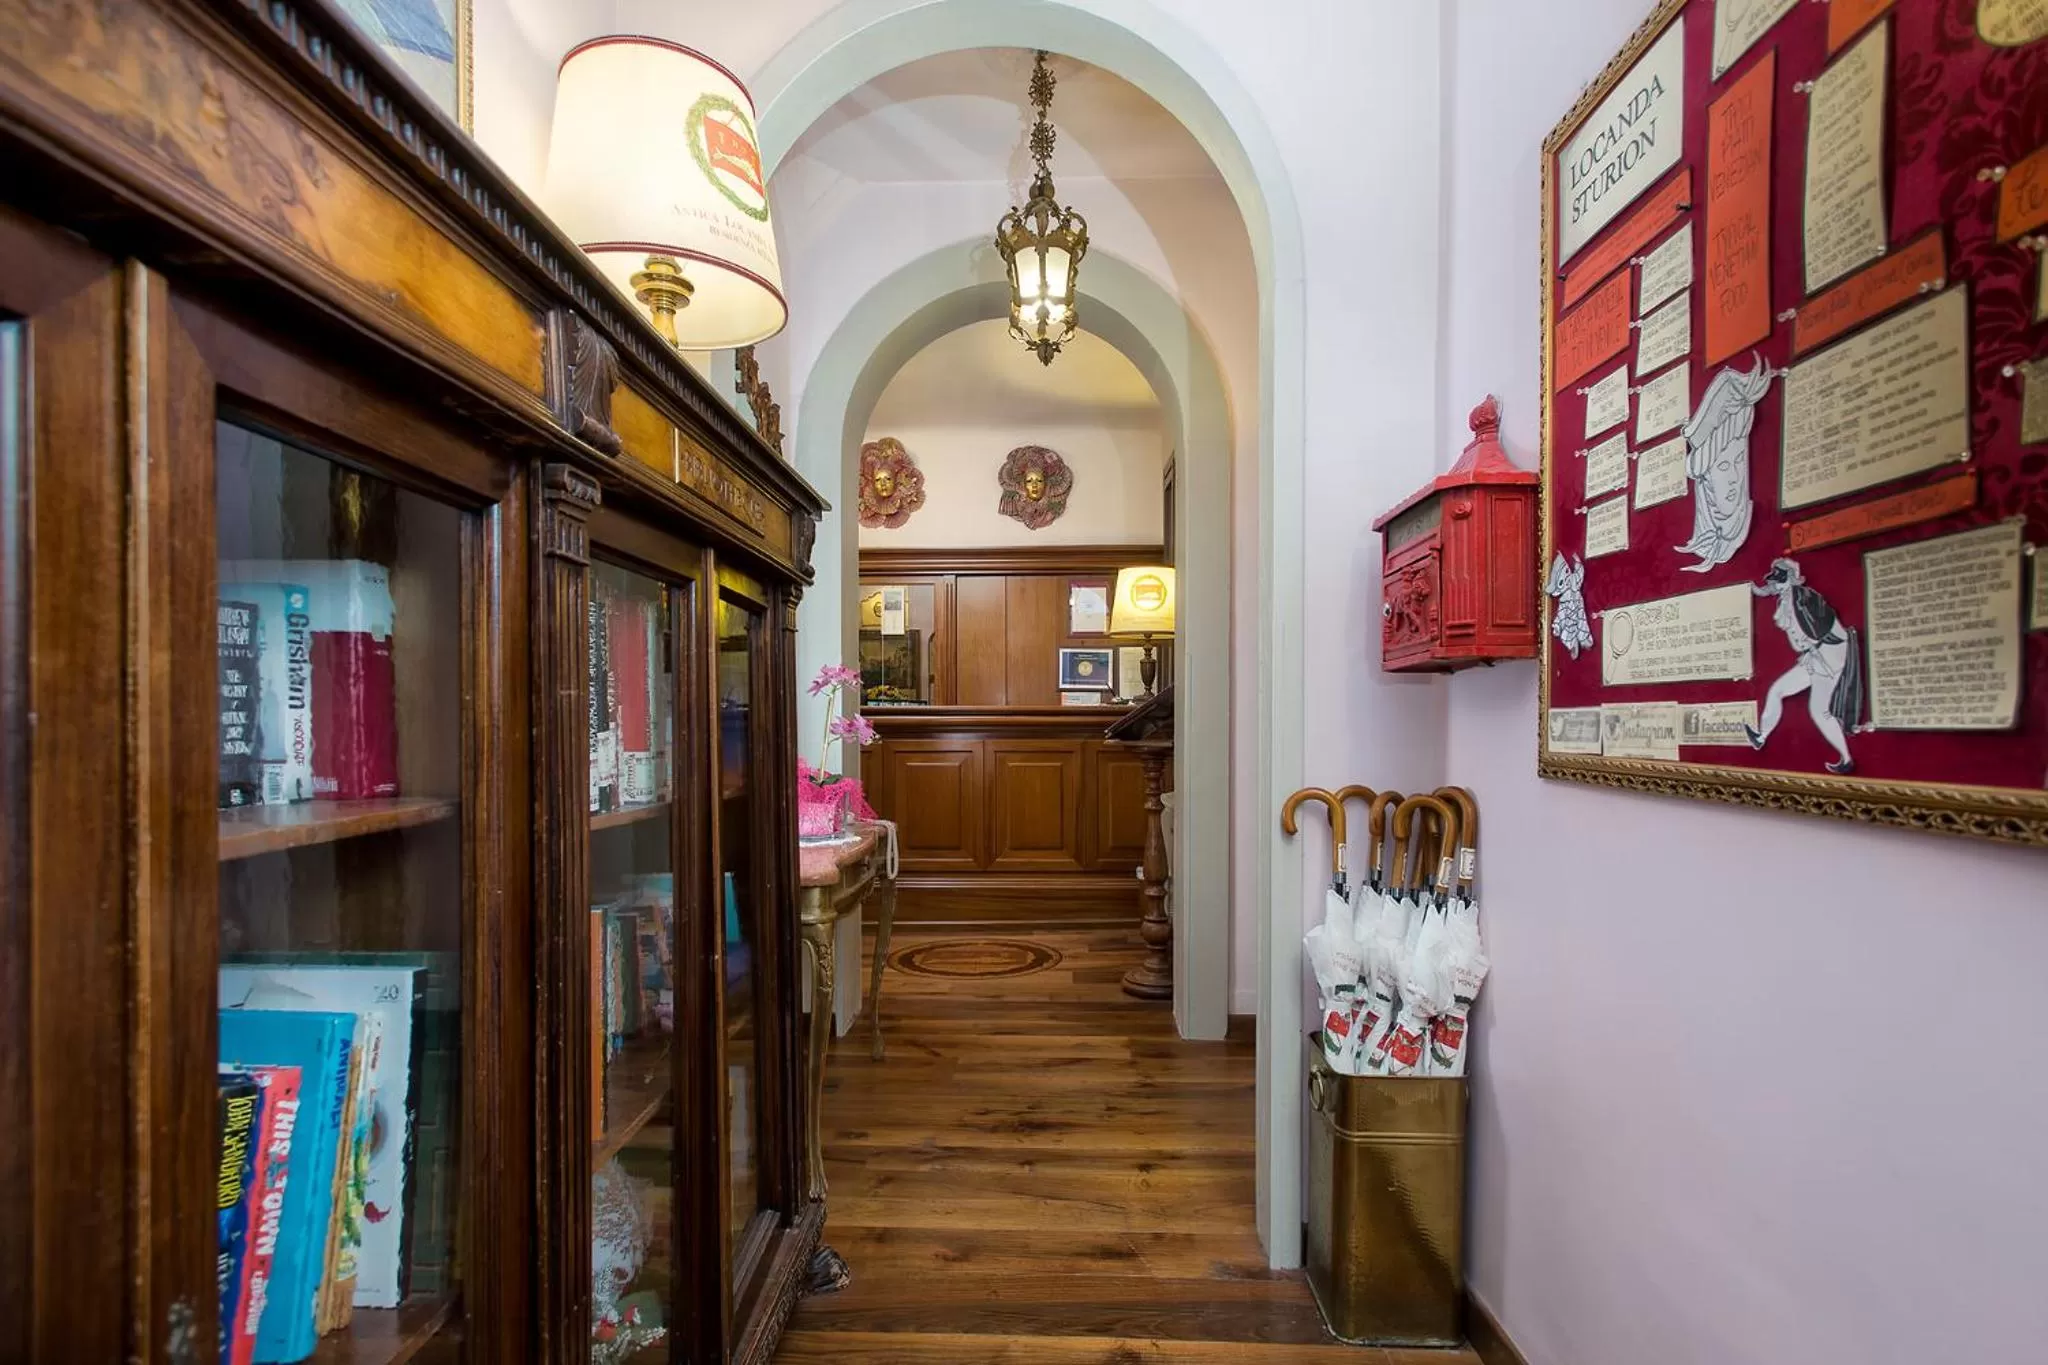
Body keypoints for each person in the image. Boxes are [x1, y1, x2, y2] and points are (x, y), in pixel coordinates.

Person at [1746, 557, 1861, 774]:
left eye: (1780, 579)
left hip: (1827, 655)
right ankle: (1761, 737)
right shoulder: (1786, 600)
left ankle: (1846, 759)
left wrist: (1817, 646)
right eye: (1775, 580)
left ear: (1790, 579)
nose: (1775, 584)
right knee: (1777, 690)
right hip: (1813, 656)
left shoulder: (1805, 597)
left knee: (1819, 711)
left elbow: (1824, 625)